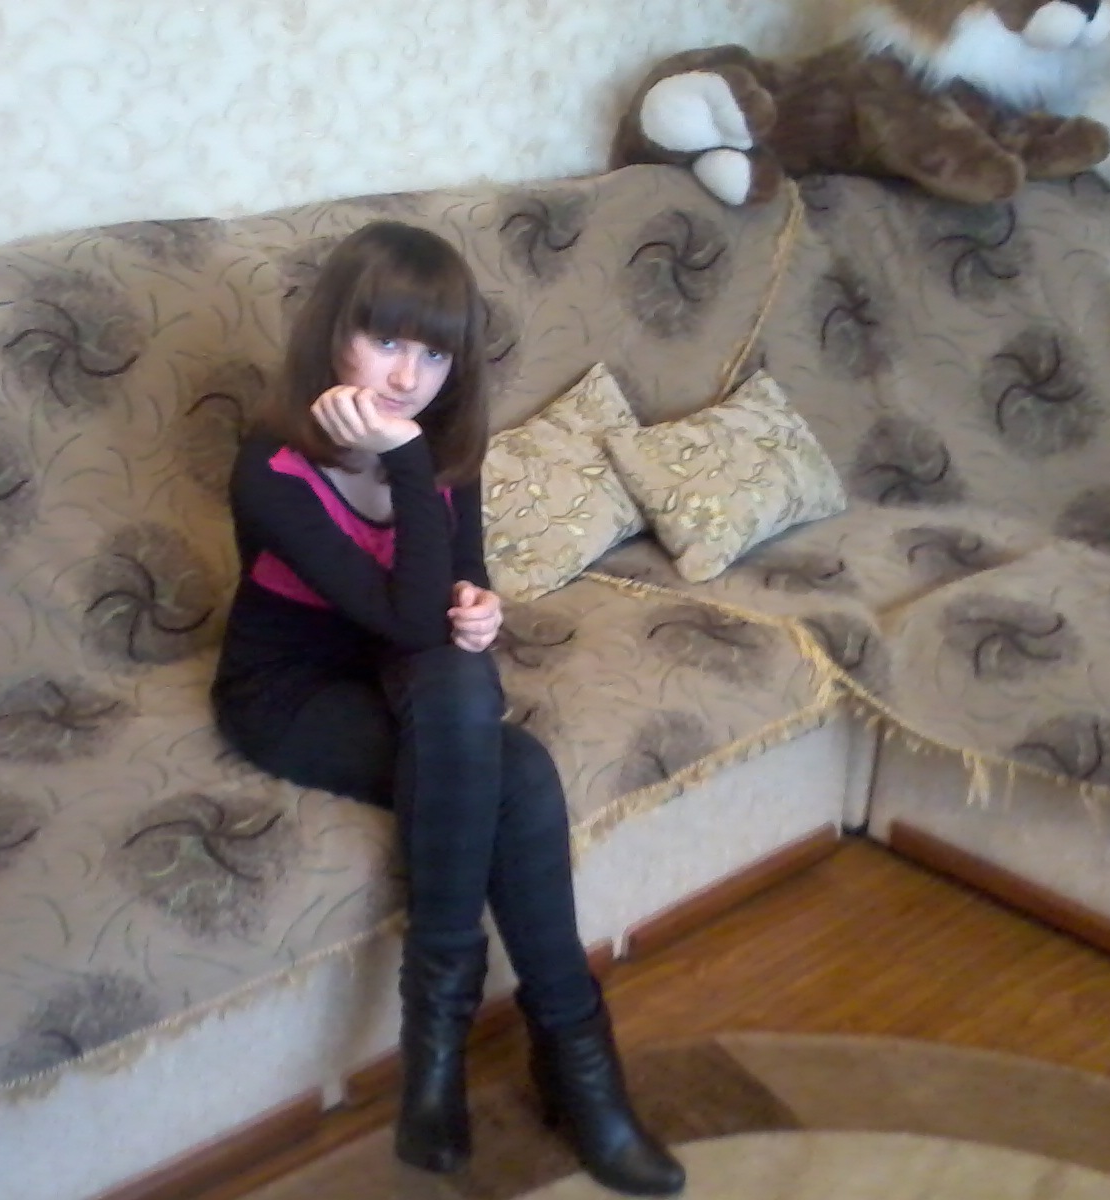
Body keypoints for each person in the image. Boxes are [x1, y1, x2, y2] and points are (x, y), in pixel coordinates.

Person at [211, 221, 685, 1196]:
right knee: (519, 771)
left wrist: (480, 607)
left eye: (434, 354)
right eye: (386, 340)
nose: (408, 377)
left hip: (404, 668)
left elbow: (448, 593)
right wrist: (405, 466)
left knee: (463, 679)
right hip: (289, 691)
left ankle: (454, 1048)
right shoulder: (271, 468)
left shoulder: (440, 449)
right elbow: (398, 614)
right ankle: (566, 1065)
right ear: (333, 334)